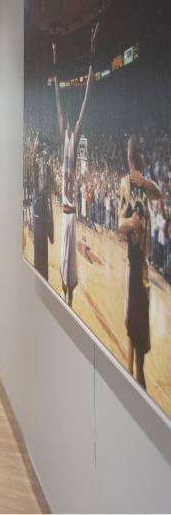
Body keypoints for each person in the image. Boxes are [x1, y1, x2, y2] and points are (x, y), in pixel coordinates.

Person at [53, 27, 97, 306]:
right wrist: (55, 61)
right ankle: (65, 300)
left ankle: (69, 301)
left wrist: (93, 52)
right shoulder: (63, 135)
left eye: (69, 114)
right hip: (65, 210)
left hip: (71, 213)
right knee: (64, 265)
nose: (69, 116)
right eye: (68, 114)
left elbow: (87, 99)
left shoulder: (76, 133)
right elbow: (56, 98)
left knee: (70, 270)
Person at [119, 136, 163, 388]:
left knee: (139, 341)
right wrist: (130, 224)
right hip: (131, 266)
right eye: (134, 162)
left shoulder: (145, 187)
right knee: (131, 330)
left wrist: (144, 181)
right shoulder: (125, 184)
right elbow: (118, 224)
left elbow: (157, 193)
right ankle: (130, 381)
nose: (136, 168)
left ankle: (134, 382)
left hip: (142, 269)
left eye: (140, 166)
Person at [33, 150, 54, 281]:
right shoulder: (42, 197)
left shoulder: (36, 195)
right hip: (41, 230)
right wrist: (51, 229)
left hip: (39, 230)